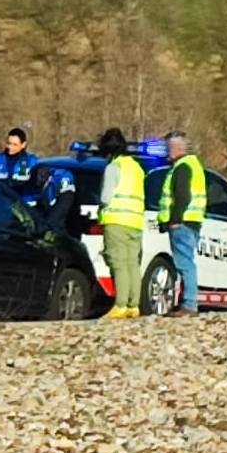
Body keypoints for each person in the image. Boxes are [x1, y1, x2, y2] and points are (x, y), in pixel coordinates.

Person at [157, 131, 207, 317]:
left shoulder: (183, 167)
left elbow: (182, 196)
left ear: (178, 148)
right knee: (186, 263)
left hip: (183, 223)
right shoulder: (194, 165)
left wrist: (175, 220)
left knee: (185, 264)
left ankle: (190, 304)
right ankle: (187, 302)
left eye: (169, 148)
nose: (167, 152)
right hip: (192, 221)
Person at [97, 128, 145, 320]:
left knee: (118, 264)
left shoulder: (113, 167)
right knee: (133, 264)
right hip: (135, 222)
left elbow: (105, 197)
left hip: (116, 221)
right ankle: (134, 305)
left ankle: (120, 305)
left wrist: (100, 208)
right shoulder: (136, 167)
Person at [0, 127, 39, 197]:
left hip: (23, 203)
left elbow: (26, 183)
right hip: (0, 201)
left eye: (15, 144)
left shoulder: (30, 161)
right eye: (9, 143)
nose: (10, 147)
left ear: (23, 145)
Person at [34, 165, 76, 235]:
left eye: (43, 184)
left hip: (56, 228)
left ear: (49, 179)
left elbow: (64, 204)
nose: (42, 188)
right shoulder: (31, 186)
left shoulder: (62, 181)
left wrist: (45, 225)